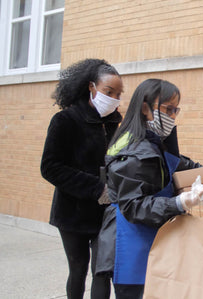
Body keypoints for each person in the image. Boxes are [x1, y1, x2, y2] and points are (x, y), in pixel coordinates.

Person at [94, 78, 203, 299]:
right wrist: (180, 202)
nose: (172, 116)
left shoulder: (155, 142)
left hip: (155, 237)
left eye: (175, 110)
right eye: (168, 109)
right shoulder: (131, 151)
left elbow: (183, 167)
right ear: (145, 107)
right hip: (131, 240)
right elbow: (134, 206)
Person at [41, 58, 123, 299]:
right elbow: (50, 167)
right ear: (91, 87)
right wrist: (96, 188)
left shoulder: (115, 123)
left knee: (102, 271)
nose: (115, 97)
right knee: (78, 270)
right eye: (109, 91)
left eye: (119, 93)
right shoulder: (65, 120)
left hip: (105, 214)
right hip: (73, 213)